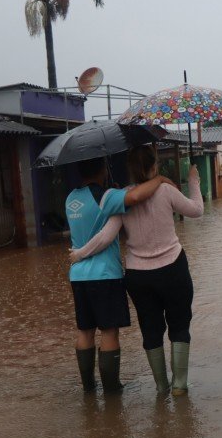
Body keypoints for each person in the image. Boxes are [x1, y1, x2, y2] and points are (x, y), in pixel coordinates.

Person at [71, 146, 204, 396]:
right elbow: (197, 211)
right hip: (173, 268)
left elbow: (105, 237)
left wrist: (79, 254)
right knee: (179, 325)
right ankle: (179, 385)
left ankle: (161, 386)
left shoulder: (121, 198)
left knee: (150, 330)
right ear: (155, 166)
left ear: (130, 168)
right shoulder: (166, 190)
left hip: (138, 276)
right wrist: (194, 181)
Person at [67, 156, 172, 393]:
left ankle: (88, 388)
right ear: (102, 169)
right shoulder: (106, 196)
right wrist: (160, 179)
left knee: (84, 330)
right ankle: (112, 390)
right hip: (105, 274)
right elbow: (135, 196)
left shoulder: (70, 198)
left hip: (78, 275)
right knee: (109, 331)